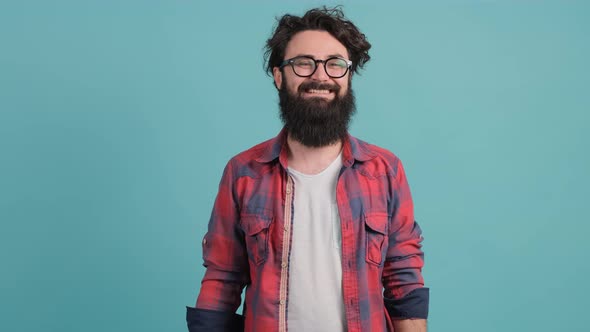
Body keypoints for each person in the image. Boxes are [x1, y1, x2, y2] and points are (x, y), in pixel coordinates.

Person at [187, 6, 429, 332]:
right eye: (303, 63)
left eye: (335, 64)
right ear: (278, 75)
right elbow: (223, 278)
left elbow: (403, 277)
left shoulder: (384, 170)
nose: (320, 76)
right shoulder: (243, 173)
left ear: (348, 76)